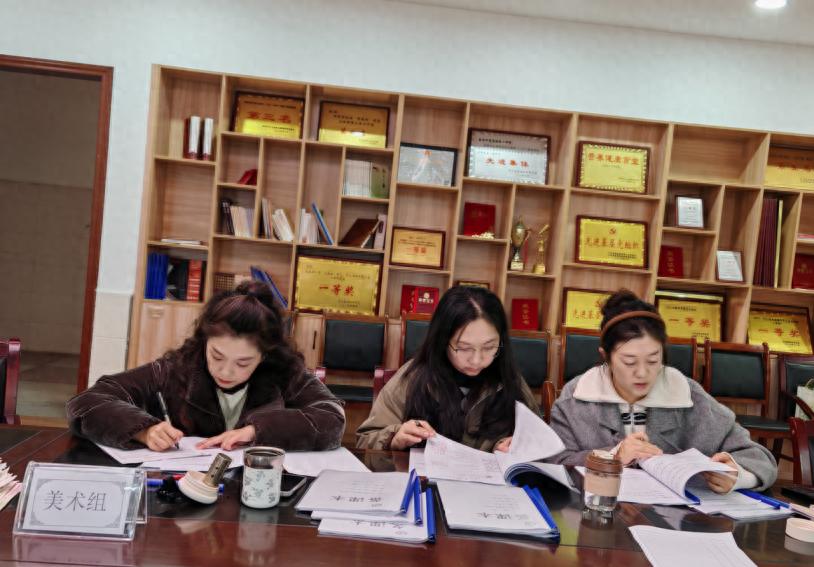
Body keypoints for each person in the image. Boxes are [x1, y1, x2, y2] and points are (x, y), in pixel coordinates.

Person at [67, 281, 345, 452]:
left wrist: (256, 431)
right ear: (204, 341)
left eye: (243, 363)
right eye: (217, 356)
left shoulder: (285, 373)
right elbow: (87, 402)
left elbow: (332, 417)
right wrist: (143, 430)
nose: (226, 372)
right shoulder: (175, 369)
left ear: (264, 356)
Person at [549, 290, 777, 492]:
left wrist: (737, 475)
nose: (642, 373)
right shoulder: (576, 399)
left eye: (652, 360)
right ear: (605, 356)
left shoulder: (689, 396)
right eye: (629, 362)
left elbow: (760, 459)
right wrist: (612, 457)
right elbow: (553, 462)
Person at [356, 285, 539, 452]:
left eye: (489, 347)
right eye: (464, 348)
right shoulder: (412, 378)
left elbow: (540, 444)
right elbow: (365, 441)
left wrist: (510, 447)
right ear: (442, 341)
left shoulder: (510, 382)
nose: (477, 360)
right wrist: (394, 438)